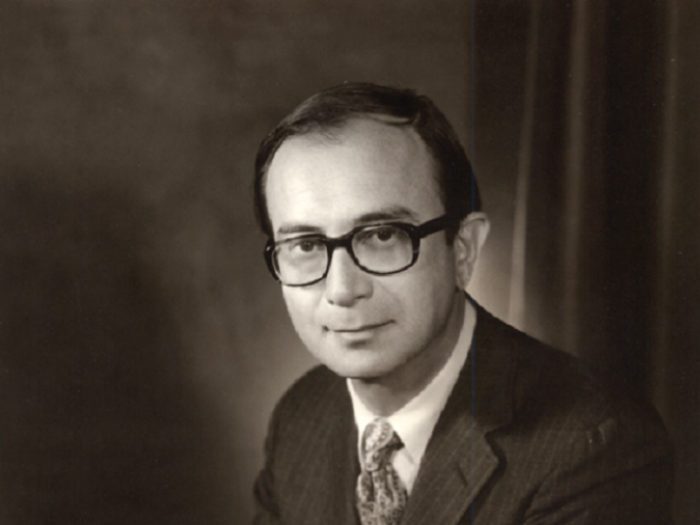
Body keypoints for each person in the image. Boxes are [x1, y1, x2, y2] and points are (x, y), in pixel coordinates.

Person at [251, 82, 674, 525]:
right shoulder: (300, 415)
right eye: (305, 244)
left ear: (463, 250)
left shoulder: (594, 446)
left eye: (382, 236)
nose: (341, 289)